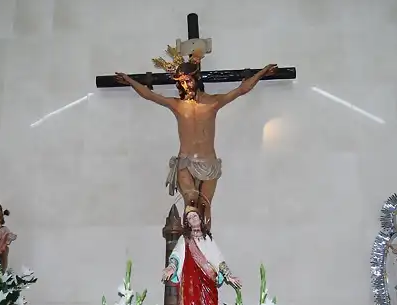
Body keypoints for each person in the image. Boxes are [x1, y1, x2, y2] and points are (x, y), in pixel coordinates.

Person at [116, 47, 277, 227]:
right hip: (185, 161)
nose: (186, 86)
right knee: (191, 203)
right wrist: (130, 81)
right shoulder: (177, 105)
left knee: (204, 206)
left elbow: (241, 90)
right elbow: (149, 95)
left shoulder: (213, 102)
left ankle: (206, 244)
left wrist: (261, 73)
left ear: (196, 79)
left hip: (208, 163)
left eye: (188, 81)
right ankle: (189, 244)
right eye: (182, 82)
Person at [161, 203, 241, 305]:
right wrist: (171, 267)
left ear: (200, 218)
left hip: (208, 287)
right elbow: (176, 256)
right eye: (189, 218)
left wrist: (229, 276)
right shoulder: (185, 240)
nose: (193, 219)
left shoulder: (208, 239)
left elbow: (218, 260)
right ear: (187, 222)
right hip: (191, 290)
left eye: (195, 216)